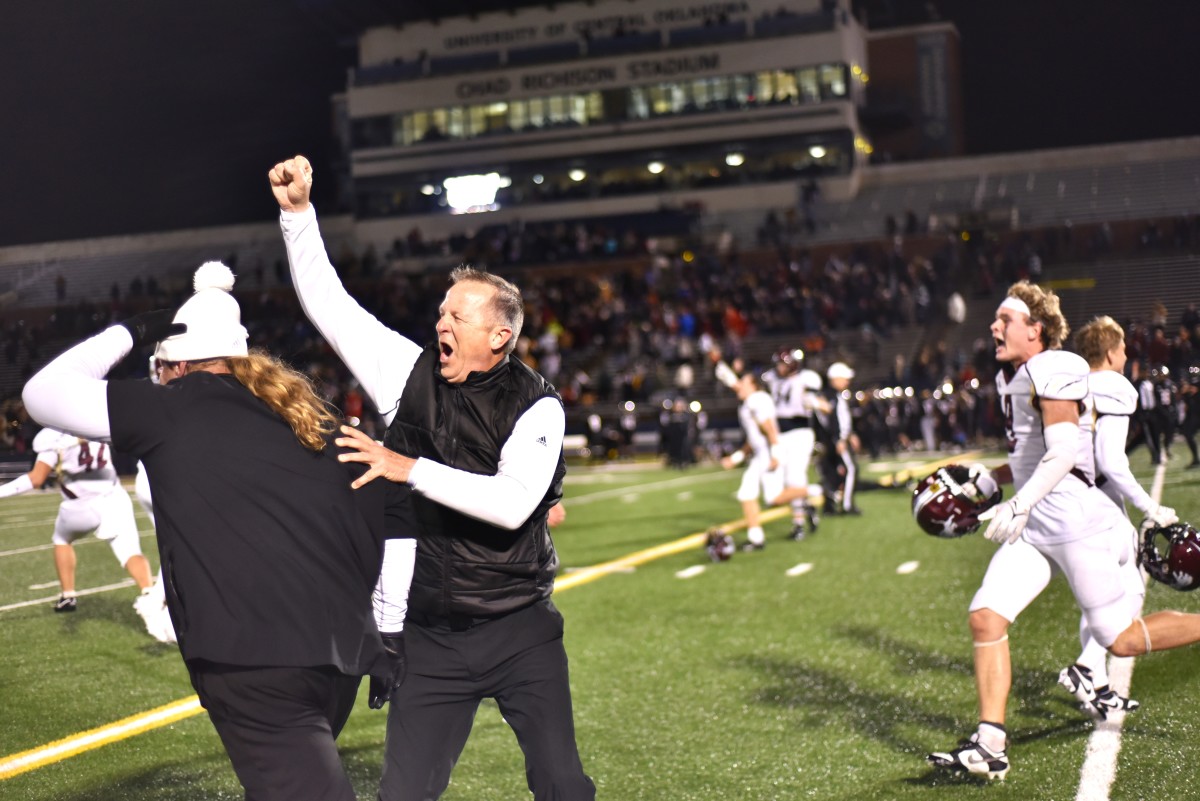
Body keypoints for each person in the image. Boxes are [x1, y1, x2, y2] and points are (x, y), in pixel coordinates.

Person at [270, 154, 594, 801]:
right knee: (404, 794)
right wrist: (299, 215)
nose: (441, 324)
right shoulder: (408, 374)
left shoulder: (538, 403)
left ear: (500, 334)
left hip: (518, 626)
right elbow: (332, 309)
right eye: (441, 312)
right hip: (430, 639)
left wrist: (405, 466)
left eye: (458, 317)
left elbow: (508, 505)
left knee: (561, 782)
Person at [23, 262, 390, 801]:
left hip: (253, 657)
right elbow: (377, 521)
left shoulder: (172, 408)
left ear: (173, 365)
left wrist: (130, 331)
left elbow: (41, 393)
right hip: (340, 652)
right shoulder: (310, 417)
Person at [927, 282, 1200, 781]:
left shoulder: (1054, 366)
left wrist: (1019, 502)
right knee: (986, 618)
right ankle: (990, 742)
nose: (993, 326)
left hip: (1074, 518)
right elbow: (1030, 456)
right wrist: (995, 477)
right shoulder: (1018, 375)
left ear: (1036, 329)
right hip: (1038, 523)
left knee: (1118, 640)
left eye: (1004, 319)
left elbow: (1064, 452)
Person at [1057, 316, 1178, 718]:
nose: (1126, 355)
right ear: (1110, 352)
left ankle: (1100, 683)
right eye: (1123, 348)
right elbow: (1110, 460)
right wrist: (1151, 507)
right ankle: (1087, 667)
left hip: (1067, 498)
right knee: (1132, 586)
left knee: (1103, 597)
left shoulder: (1070, 384)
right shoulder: (1114, 386)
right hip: (1096, 499)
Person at [0, 425, 163, 632]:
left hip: (78, 506)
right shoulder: (92, 421)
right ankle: (149, 593)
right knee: (130, 551)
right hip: (112, 498)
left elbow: (36, 479)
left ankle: (68, 596)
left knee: (61, 539)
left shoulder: (52, 436)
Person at [760, 348, 826, 539]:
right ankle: (807, 506)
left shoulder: (806, 378)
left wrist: (813, 402)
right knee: (781, 481)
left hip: (800, 431)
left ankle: (798, 523)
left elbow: (821, 404)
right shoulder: (771, 378)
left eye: (783, 364)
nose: (779, 368)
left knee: (794, 478)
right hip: (779, 433)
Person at [817, 362, 860, 515]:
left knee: (832, 474)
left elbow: (843, 420)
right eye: (844, 378)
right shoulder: (830, 396)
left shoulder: (835, 395)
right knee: (851, 469)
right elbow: (833, 421)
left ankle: (829, 505)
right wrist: (839, 439)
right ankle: (847, 505)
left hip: (836, 439)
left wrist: (850, 434)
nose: (847, 381)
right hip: (835, 440)